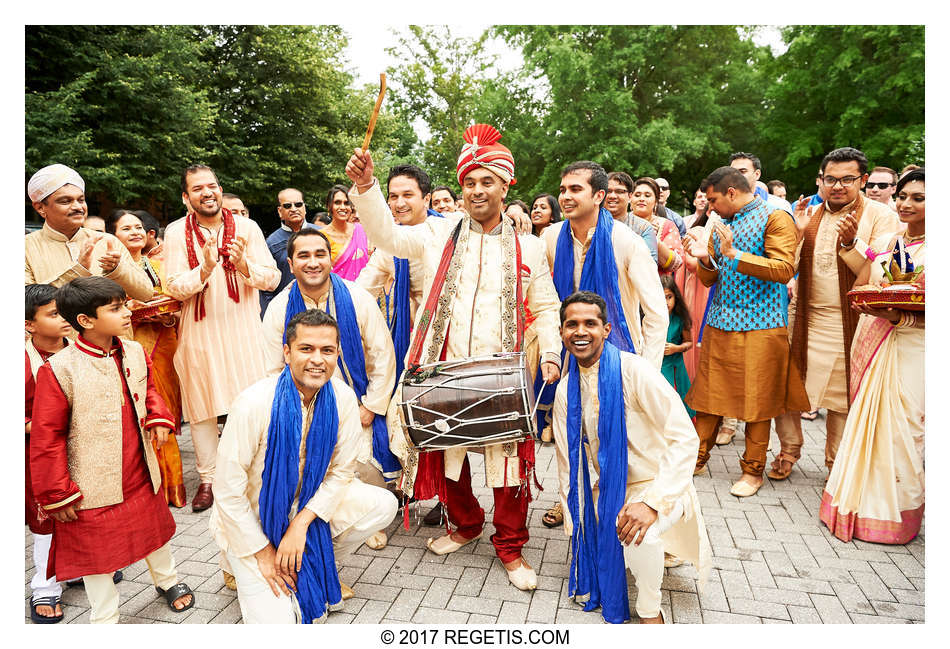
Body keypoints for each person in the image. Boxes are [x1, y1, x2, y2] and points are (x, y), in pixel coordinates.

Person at [346, 123, 562, 591]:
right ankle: (465, 524)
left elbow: (546, 305)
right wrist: (365, 188)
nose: (477, 189)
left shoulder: (528, 245)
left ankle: (510, 545)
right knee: (450, 455)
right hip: (444, 367)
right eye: (469, 182)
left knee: (509, 465)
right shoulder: (436, 234)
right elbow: (385, 234)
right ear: (460, 188)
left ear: (506, 186)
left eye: (488, 181)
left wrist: (550, 352)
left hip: (503, 372)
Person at [210, 309, 398, 623]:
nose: (317, 359)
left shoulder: (342, 397)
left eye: (327, 350)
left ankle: (306, 558)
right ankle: (236, 564)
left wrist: (300, 525)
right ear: (287, 352)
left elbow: (341, 472)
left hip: (304, 509)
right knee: (282, 625)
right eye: (306, 349)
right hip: (252, 524)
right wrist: (263, 552)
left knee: (382, 504)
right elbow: (227, 491)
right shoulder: (254, 402)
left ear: (337, 353)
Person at [29, 277, 195, 624]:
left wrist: (160, 419)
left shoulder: (133, 350)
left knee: (153, 529)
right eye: (116, 308)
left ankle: (168, 581)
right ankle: (105, 619)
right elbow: (47, 438)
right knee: (95, 551)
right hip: (90, 483)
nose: (127, 311)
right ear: (86, 321)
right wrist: (57, 493)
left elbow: (149, 389)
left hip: (139, 465)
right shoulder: (59, 369)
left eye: (124, 304)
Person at [552, 292, 710, 624]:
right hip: (611, 487)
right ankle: (629, 552)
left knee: (641, 533)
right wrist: (578, 522)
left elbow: (685, 437)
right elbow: (568, 464)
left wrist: (652, 502)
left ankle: (651, 613)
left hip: (661, 483)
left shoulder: (634, 371)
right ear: (563, 332)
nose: (581, 331)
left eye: (590, 323)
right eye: (572, 324)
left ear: (607, 329)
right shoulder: (566, 391)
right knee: (607, 533)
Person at [262, 228, 398, 548]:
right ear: (291, 263)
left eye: (320, 254)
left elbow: (382, 355)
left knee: (362, 464)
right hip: (303, 405)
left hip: (358, 400)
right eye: (304, 256)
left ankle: (360, 517)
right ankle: (319, 519)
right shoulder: (280, 308)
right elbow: (270, 369)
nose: (313, 262)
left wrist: (371, 406)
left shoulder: (357, 298)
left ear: (331, 259)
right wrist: (296, 413)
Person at [770, 147, 900, 481]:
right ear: (821, 180)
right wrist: (797, 233)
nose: (838, 186)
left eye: (847, 179)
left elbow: (877, 270)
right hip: (804, 318)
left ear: (863, 179)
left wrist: (851, 243)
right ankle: (788, 450)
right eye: (831, 179)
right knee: (787, 388)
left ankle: (835, 464)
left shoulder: (880, 216)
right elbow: (789, 268)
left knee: (842, 397)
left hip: (851, 321)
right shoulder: (811, 213)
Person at [685, 166, 809, 497]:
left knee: (757, 399)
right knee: (709, 396)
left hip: (763, 325)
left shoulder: (775, 217)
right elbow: (711, 279)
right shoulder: (719, 223)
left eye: (713, 200)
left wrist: (734, 255)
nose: (709, 208)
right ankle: (694, 460)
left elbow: (784, 269)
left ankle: (752, 472)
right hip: (719, 322)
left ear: (731, 192)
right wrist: (705, 260)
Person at [163, 164, 281, 512]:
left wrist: (242, 264)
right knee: (202, 410)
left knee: (252, 406)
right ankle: (209, 480)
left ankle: (255, 474)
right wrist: (205, 269)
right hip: (199, 334)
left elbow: (272, 279)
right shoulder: (174, 233)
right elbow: (173, 286)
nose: (207, 193)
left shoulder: (246, 227)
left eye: (212, 186)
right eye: (197, 189)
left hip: (244, 332)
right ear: (186, 198)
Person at [820, 168, 925, 544]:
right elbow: (867, 277)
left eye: (918, 198)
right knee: (871, 426)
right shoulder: (894, 239)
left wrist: (902, 316)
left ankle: (896, 517)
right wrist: (850, 244)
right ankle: (862, 508)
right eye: (904, 196)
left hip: (913, 350)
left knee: (904, 431)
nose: (906, 204)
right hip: (876, 336)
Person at [355, 163, 447, 527]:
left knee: (440, 416)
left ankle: (445, 495)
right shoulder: (388, 246)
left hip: (443, 334)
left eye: (408, 194)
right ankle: (409, 483)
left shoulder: (446, 230)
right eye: (392, 195)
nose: (398, 202)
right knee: (404, 413)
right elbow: (364, 289)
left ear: (426, 197)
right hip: (404, 334)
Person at [106, 209, 187, 507]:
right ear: (113, 236)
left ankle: (171, 487)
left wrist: (169, 315)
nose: (135, 232)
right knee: (139, 410)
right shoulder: (111, 269)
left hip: (165, 342)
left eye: (139, 226)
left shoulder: (159, 264)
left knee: (163, 407)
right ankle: (145, 486)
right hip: (131, 342)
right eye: (126, 228)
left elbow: (174, 299)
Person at [25, 164, 153, 302]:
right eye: (65, 201)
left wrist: (117, 269)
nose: (78, 207)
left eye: (81, 200)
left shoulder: (107, 241)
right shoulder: (25, 247)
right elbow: (26, 304)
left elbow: (146, 294)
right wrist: (77, 270)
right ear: (40, 207)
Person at [25, 284, 74, 623]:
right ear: (29, 325)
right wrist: (42, 426)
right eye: (53, 314)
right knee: (47, 516)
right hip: (38, 451)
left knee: (84, 508)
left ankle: (83, 565)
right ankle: (44, 585)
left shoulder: (80, 350)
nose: (63, 320)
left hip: (82, 445)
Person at [260, 188, 325, 315]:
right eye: (288, 206)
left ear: (304, 208)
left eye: (298, 204)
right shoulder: (271, 243)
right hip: (288, 310)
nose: (294, 209)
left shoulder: (322, 234)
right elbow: (267, 286)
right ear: (280, 211)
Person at [632, 176, 685, 288]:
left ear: (656, 201)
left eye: (647, 195)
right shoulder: (621, 223)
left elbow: (674, 264)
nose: (641, 199)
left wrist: (650, 236)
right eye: (637, 195)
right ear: (630, 199)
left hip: (656, 288)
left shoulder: (666, 226)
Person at [660, 275, 695, 418]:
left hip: (675, 367)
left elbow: (689, 342)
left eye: (669, 297)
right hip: (658, 366)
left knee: (679, 402)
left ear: (676, 297)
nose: (666, 302)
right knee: (662, 403)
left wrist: (676, 348)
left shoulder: (680, 318)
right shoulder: (650, 317)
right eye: (662, 298)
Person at [605, 171, 659, 262]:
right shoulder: (590, 223)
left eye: (619, 191)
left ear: (630, 196)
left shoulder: (643, 228)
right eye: (608, 191)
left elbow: (649, 264)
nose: (613, 196)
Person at [321, 185, 369, 281]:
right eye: (337, 203)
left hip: (363, 290)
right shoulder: (321, 237)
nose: (342, 207)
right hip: (336, 291)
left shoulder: (361, 230)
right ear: (329, 206)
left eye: (346, 203)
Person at [729, 152, 793, 214]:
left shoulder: (780, 206)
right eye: (732, 172)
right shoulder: (723, 207)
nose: (736, 175)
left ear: (757, 174)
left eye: (742, 171)